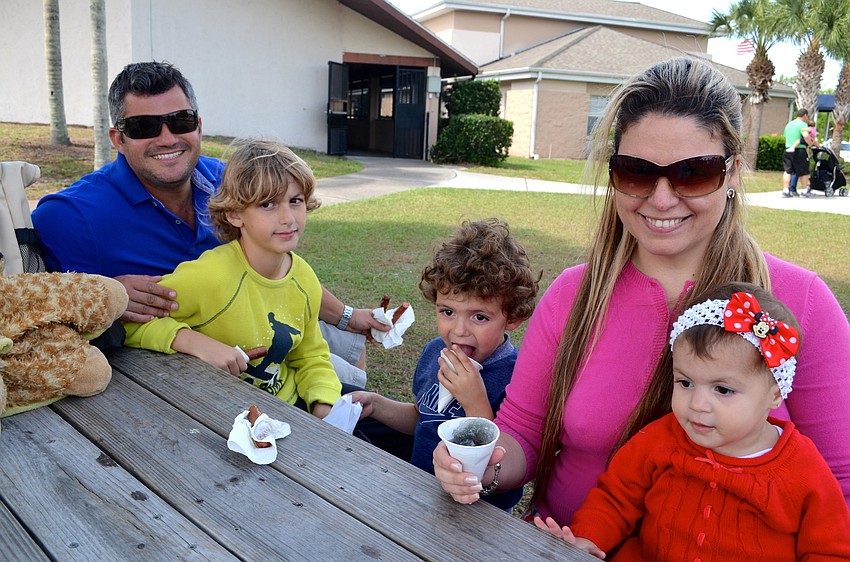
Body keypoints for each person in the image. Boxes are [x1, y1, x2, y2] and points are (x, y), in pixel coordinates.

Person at [432, 57, 850, 526]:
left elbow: (840, 485)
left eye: (694, 172)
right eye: (636, 171)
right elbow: (523, 434)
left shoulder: (803, 302)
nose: (662, 197)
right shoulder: (573, 295)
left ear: (732, 173)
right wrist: (478, 467)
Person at [31, 61, 385, 386]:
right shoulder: (70, 216)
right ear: (118, 140)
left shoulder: (226, 179)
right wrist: (104, 292)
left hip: (262, 320)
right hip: (197, 362)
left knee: (351, 356)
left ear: (198, 126)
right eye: (144, 127)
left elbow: (274, 269)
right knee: (343, 386)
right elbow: (30, 306)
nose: (167, 138)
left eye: (180, 120)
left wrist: (346, 316)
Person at [533, 283, 850, 560]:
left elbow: (830, 550)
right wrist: (589, 539)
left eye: (722, 389)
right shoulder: (662, 437)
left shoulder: (802, 468)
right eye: (685, 383)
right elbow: (615, 499)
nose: (697, 404)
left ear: (775, 394)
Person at [123, 139, 341, 418]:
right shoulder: (208, 276)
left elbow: (311, 356)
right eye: (267, 204)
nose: (288, 218)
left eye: (295, 201)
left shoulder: (306, 279)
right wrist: (192, 341)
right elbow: (130, 324)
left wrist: (324, 408)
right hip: (220, 416)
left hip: (290, 410)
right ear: (235, 214)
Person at [348, 218, 539, 510]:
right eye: (448, 311)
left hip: (481, 513)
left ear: (512, 318)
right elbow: (425, 420)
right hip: (422, 492)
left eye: (479, 317)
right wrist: (377, 404)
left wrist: (475, 401)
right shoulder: (435, 352)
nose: (459, 330)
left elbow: (500, 458)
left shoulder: (515, 375)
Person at [782, 109, 812, 198]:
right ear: (805, 115)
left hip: (788, 149)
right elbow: (806, 135)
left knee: (788, 170)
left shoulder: (789, 124)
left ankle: (785, 190)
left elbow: (785, 137)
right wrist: (809, 143)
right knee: (803, 171)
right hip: (799, 151)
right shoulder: (803, 124)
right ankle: (804, 190)